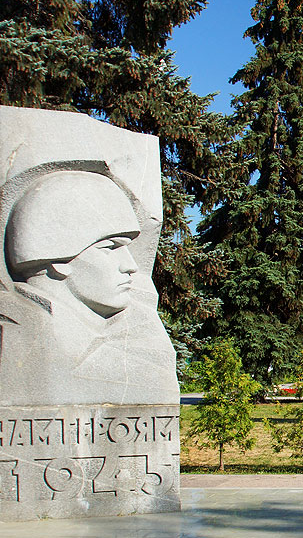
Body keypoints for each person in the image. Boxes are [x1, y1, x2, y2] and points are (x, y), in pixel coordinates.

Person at [0, 169, 179, 405]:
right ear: (57, 257)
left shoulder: (138, 336)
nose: (131, 266)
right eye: (110, 247)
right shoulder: (16, 337)